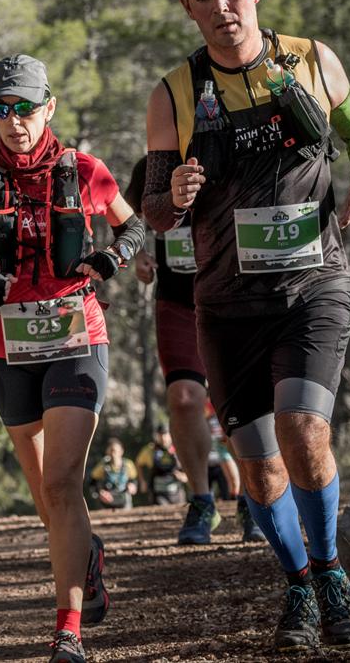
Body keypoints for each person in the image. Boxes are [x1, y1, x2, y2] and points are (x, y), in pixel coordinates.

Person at [143, 0, 350, 652]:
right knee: (256, 463)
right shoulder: (173, 94)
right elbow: (152, 208)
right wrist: (172, 197)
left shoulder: (312, 58)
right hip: (227, 302)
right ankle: (299, 585)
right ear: (189, 10)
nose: (221, 7)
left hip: (315, 284)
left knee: (304, 429)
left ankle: (333, 575)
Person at [0, 54, 145, 663]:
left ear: (49, 107)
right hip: (7, 346)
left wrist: (109, 262)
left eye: (25, 108)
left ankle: (67, 629)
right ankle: (86, 554)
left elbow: (133, 229)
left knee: (63, 481)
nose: (15, 121)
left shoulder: (85, 170)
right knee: (47, 498)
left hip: (76, 336)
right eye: (2, 110)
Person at [124, 155, 221, 543]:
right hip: (177, 299)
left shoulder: (230, 146)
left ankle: (256, 495)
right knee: (182, 398)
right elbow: (125, 213)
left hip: (233, 296)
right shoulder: (154, 164)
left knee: (241, 403)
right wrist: (138, 252)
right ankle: (201, 500)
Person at [135, 424, 187, 506]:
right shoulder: (150, 449)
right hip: (158, 494)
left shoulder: (178, 448)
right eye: (160, 434)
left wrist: (185, 476)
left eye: (165, 434)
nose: (163, 438)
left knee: (180, 515)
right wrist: (142, 481)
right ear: (157, 436)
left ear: (170, 434)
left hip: (177, 492)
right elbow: (138, 463)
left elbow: (189, 465)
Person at [88, 438, 137, 510]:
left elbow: (134, 480)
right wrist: (100, 493)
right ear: (107, 451)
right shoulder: (102, 466)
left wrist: (133, 486)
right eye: (111, 451)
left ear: (121, 451)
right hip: (107, 504)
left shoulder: (128, 464)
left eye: (115, 451)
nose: (113, 454)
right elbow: (92, 483)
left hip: (124, 502)